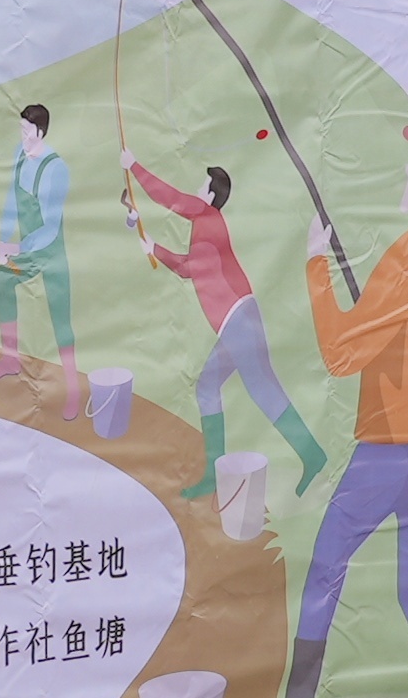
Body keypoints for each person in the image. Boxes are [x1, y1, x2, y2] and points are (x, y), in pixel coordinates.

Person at [248, 118, 408, 698]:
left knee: (325, 568)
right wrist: (400, 339)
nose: (405, 169)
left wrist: (316, 265)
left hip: (386, 450)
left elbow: (342, 353)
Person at [121, 151, 330, 501]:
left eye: (201, 185)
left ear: (210, 193)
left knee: (263, 390)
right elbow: (189, 267)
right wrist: (152, 244)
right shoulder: (205, 227)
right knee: (210, 387)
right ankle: (218, 472)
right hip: (235, 322)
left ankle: (310, 454)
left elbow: (172, 206)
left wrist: (134, 166)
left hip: (238, 320)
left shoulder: (207, 216)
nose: (196, 190)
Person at [0, 103, 83, 419]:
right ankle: (10, 358)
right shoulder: (19, 155)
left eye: (27, 131)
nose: (22, 136)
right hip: (24, 251)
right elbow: (11, 204)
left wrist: (17, 247)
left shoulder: (56, 169)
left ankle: (73, 390)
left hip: (50, 252)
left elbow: (50, 228)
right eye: (20, 129)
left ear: (40, 132)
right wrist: (1, 243)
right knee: (0, 280)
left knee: (61, 321)